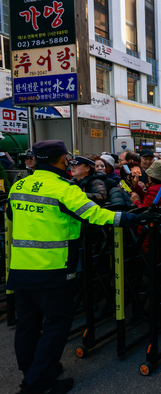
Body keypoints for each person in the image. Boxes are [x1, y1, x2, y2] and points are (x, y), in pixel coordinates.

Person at [6, 140, 150, 394]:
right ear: (63, 160)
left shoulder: (20, 185)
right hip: (54, 269)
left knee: (27, 326)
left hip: (20, 268)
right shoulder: (64, 189)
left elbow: (10, 215)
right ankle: (37, 384)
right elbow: (94, 214)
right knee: (56, 325)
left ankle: (32, 372)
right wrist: (129, 217)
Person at [133, 160, 161, 252]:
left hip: (153, 233)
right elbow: (149, 199)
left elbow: (144, 211)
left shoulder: (155, 190)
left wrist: (135, 201)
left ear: (152, 177)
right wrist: (137, 187)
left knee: (150, 259)